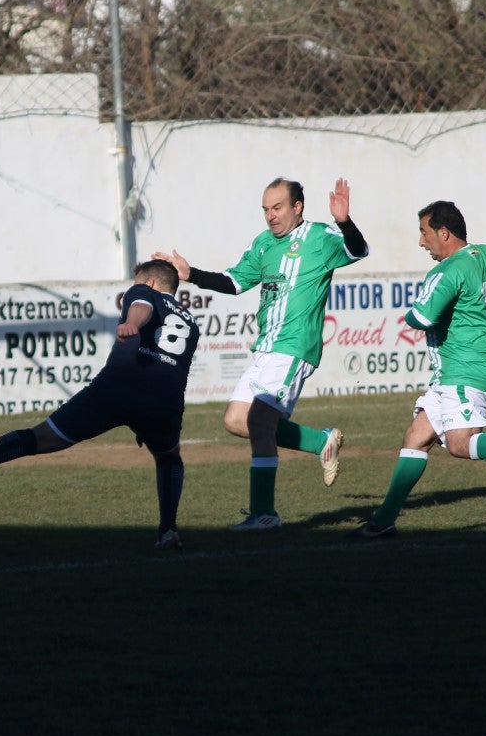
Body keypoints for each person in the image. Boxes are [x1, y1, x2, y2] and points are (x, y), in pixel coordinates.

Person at [0, 259, 200, 550]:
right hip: (165, 401)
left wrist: (131, 323)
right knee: (169, 458)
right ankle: (169, 532)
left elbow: (140, 308)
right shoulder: (191, 323)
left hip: (119, 385)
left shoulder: (143, 291)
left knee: (38, 437)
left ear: (151, 283)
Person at [154, 177, 369, 530]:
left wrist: (344, 222)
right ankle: (320, 442)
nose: (271, 215)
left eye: (278, 207)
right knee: (236, 421)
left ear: (297, 207)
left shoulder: (319, 237)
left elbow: (357, 250)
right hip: (265, 348)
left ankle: (264, 513)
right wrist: (191, 274)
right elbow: (235, 282)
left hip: (294, 346)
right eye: (266, 209)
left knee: (259, 421)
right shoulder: (264, 244)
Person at [354, 200, 486, 539]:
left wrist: (411, 313)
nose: (421, 242)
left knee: (459, 443)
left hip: (464, 370)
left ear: (444, 232)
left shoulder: (447, 271)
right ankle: (383, 520)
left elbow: (421, 318)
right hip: (479, 366)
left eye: (425, 234)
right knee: (417, 435)